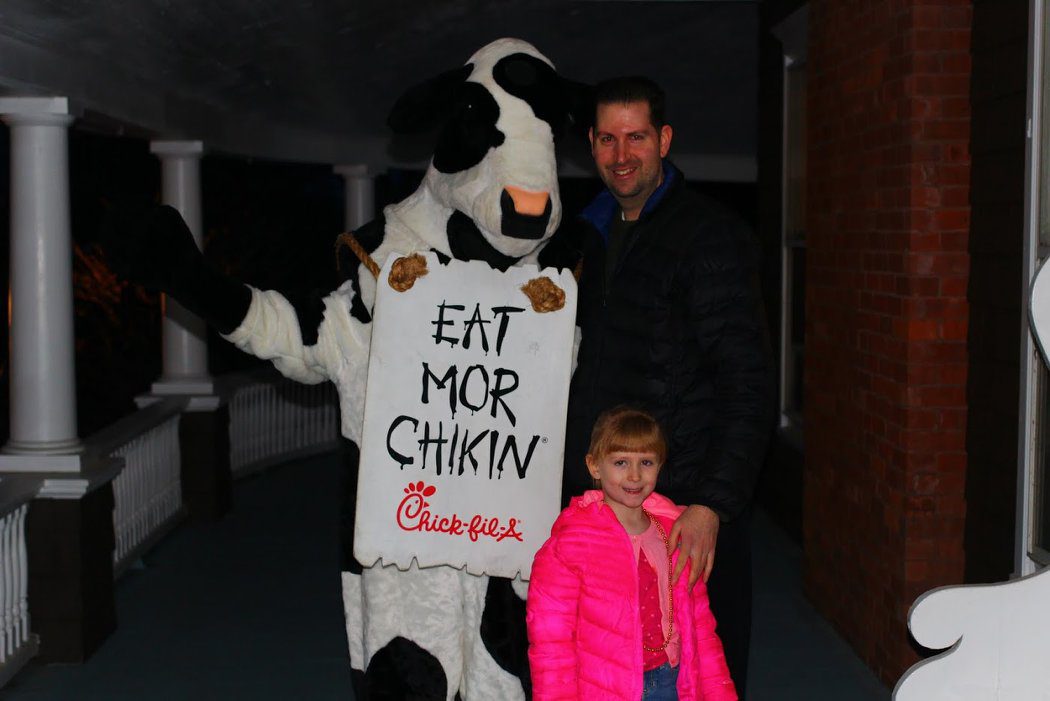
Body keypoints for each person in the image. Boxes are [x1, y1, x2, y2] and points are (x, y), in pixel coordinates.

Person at [562, 76, 774, 697]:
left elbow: (747, 380)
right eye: (607, 139)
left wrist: (713, 504)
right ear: (591, 145)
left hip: (686, 506)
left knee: (702, 672)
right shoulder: (587, 238)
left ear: (665, 140)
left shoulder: (710, 237)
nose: (621, 155)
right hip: (610, 501)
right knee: (610, 667)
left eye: (637, 137)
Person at [528, 406, 737, 700]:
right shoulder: (570, 545)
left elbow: (701, 628)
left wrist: (720, 694)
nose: (635, 475)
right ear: (594, 466)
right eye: (621, 462)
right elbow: (552, 642)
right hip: (603, 690)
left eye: (647, 462)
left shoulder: (675, 533)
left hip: (671, 682)